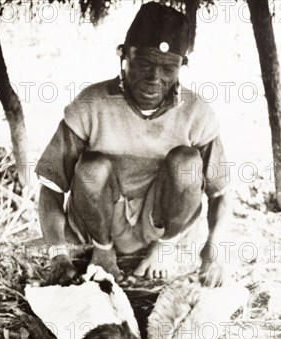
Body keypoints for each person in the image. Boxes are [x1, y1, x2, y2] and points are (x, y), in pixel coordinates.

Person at [36, 1, 231, 287]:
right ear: (123, 55)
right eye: (145, 63)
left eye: (168, 67)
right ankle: (103, 252)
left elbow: (221, 193)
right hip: (99, 224)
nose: (154, 78)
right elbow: (51, 188)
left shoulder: (196, 113)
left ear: (182, 66)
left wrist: (214, 250)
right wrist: (58, 256)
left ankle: (163, 250)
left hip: (162, 225)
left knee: (187, 162)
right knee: (92, 168)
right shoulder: (91, 105)